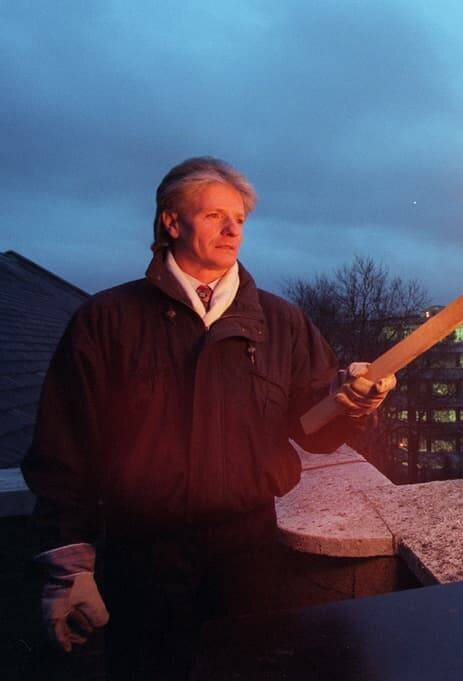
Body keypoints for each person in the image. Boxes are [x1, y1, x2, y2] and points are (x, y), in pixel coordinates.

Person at [21, 157, 395, 679]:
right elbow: (65, 450)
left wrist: (352, 403)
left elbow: (316, 430)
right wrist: (69, 568)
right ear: (172, 223)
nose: (231, 229)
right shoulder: (108, 320)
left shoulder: (280, 322)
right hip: (141, 562)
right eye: (215, 215)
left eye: (239, 218)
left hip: (250, 560)